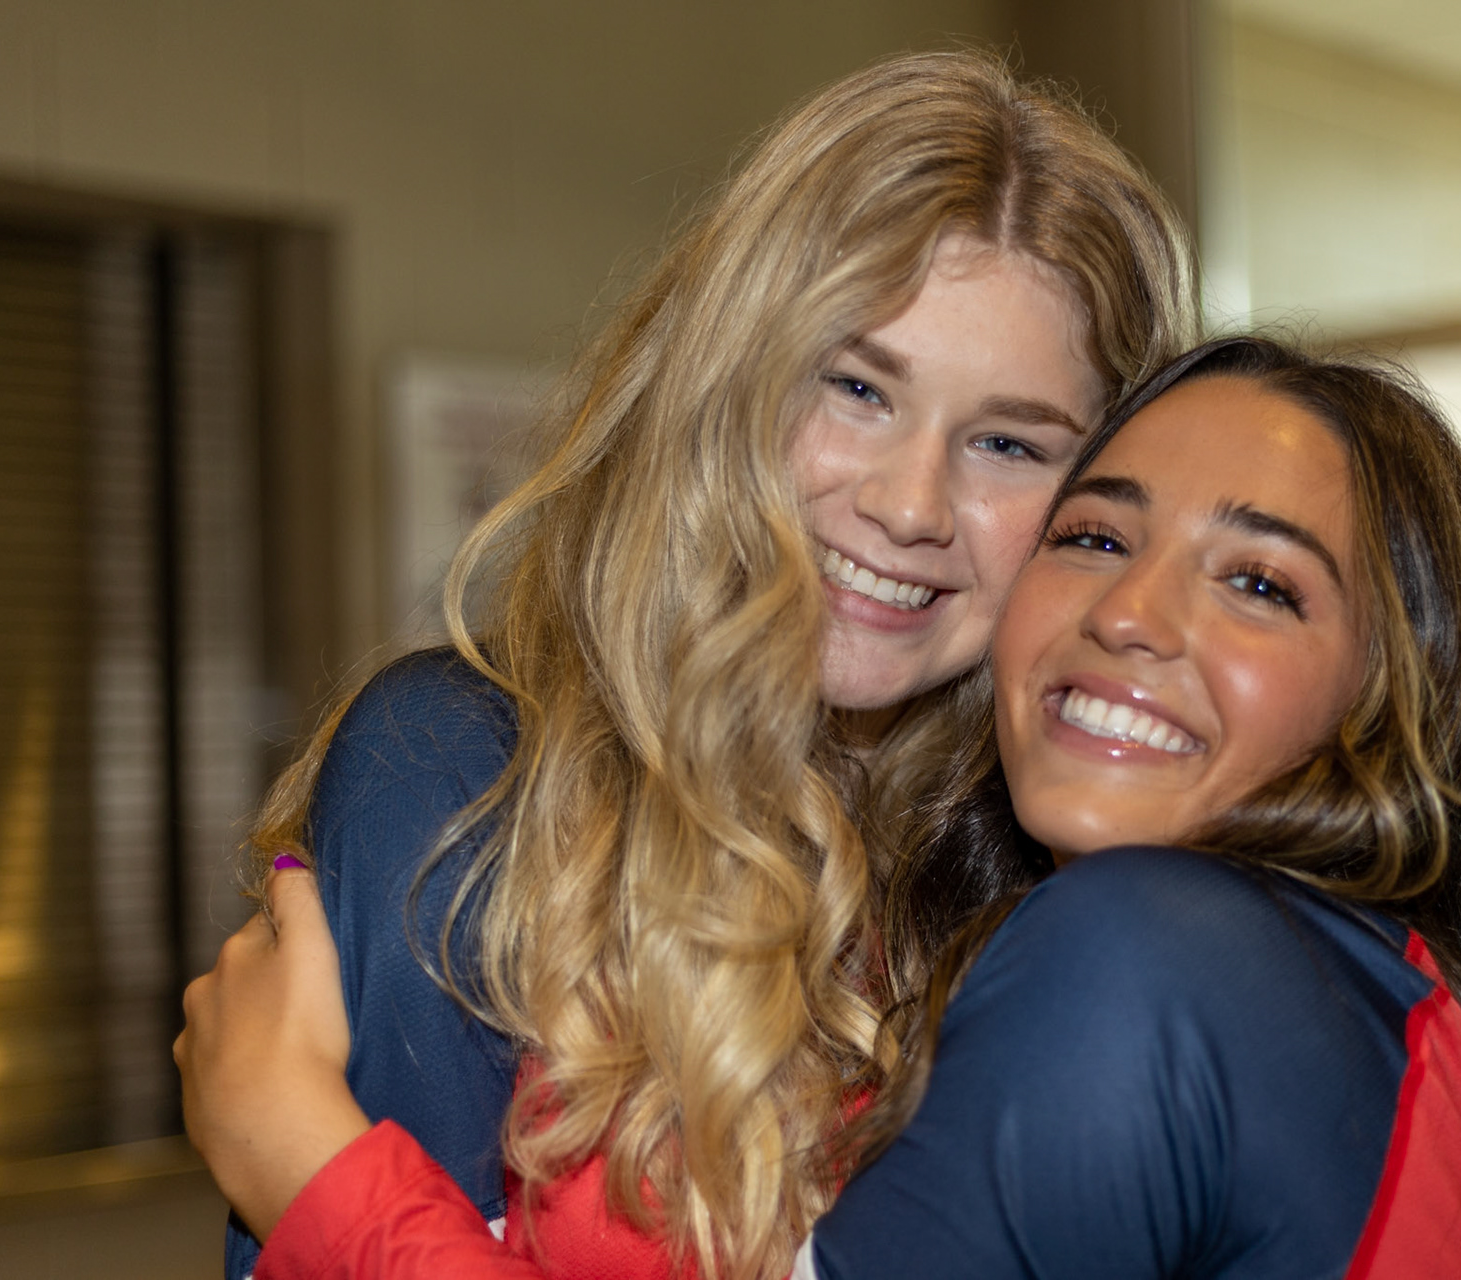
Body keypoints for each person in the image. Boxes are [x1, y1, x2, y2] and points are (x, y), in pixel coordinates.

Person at [181, 337, 1461, 1279]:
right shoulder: (1405, 1003)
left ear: (1399, 692)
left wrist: (312, 1163)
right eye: (1093, 535)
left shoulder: (1145, 958)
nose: (1133, 615)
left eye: (1261, 583)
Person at [185, 49, 1199, 1280]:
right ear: (723, 383)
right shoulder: (464, 778)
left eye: (1007, 441)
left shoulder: (1061, 865)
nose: (912, 503)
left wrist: (307, 1163)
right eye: (857, 386)